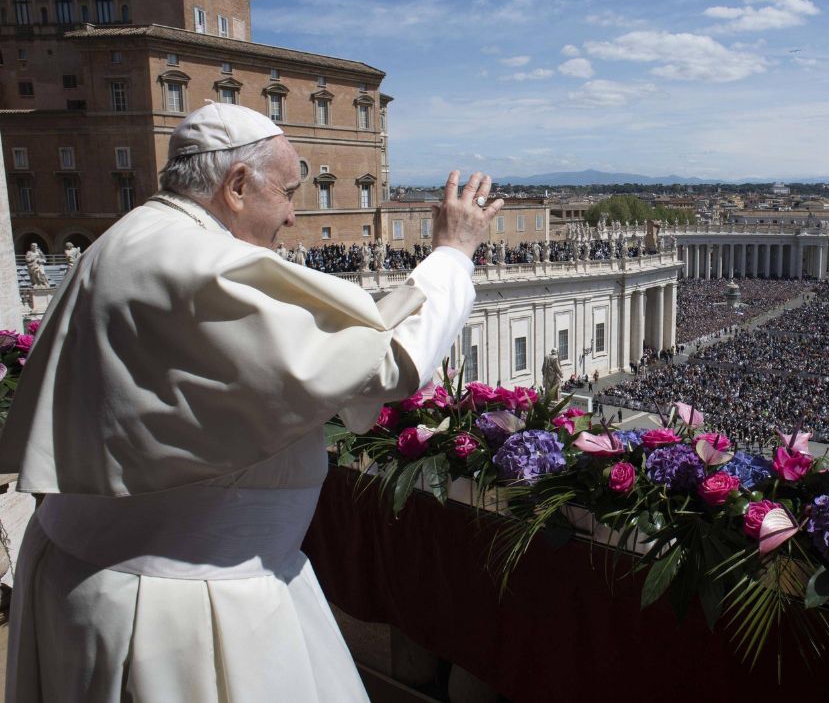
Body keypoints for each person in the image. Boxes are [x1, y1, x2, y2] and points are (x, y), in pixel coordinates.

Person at [0, 103, 503, 701]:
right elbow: (387, 361)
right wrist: (452, 255)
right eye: (289, 193)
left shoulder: (126, 241)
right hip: (181, 606)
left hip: (92, 574)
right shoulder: (201, 264)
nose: (293, 215)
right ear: (237, 186)